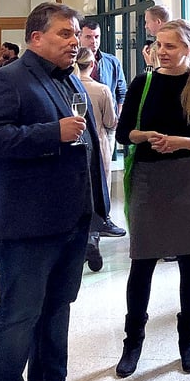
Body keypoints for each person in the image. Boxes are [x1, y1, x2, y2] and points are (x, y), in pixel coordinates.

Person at [0, 2, 109, 381]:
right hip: (26, 222)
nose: (74, 42)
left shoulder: (69, 80)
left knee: (57, 307)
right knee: (19, 314)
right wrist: (51, 132)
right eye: (64, 34)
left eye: (76, 34)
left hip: (70, 218)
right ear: (36, 38)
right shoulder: (5, 80)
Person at [114, 19, 190, 378]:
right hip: (148, 177)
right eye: (158, 44)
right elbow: (123, 134)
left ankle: (188, 337)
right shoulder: (143, 83)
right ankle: (133, 341)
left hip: (188, 176)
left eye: (170, 46)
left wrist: (182, 143)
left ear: (188, 49)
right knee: (143, 260)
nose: (161, 51)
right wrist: (145, 135)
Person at [78, 19, 128, 250]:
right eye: (89, 37)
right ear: (80, 36)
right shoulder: (72, 64)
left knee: (104, 175)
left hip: (105, 128)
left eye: (96, 37)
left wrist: (116, 118)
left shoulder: (110, 62)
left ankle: (103, 220)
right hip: (80, 130)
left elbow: (121, 90)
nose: (93, 41)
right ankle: (87, 225)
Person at [75, 47, 119, 271]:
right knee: (99, 191)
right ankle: (94, 236)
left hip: (74, 146)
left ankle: (81, 240)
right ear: (93, 65)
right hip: (99, 144)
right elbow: (111, 121)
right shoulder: (101, 90)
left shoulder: (68, 87)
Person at [142, 5, 170, 69]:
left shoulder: (157, 49)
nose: (146, 26)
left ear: (158, 22)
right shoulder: (154, 47)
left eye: (147, 22)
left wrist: (149, 65)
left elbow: (153, 74)